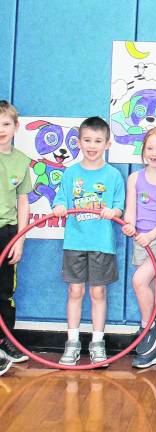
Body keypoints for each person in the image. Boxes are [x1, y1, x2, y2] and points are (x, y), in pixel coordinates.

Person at [52, 117, 125, 366]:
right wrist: (60, 206)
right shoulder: (71, 173)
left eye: (97, 140)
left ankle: (97, 342)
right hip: (75, 242)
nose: (92, 145)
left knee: (98, 291)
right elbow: (60, 200)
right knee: (75, 290)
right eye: (87, 140)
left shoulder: (113, 175)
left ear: (107, 143)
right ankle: (72, 342)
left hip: (102, 244)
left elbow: (119, 207)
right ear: (79, 142)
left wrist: (112, 212)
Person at [121, 128, 156, 368]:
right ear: (143, 152)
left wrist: (151, 235)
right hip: (140, 240)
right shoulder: (135, 178)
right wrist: (129, 226)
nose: (155, 153)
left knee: (139, 281)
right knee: (151, 288)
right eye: (150, 148)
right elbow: (130, 210)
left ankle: (149, 325)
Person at [0, 101, 33, 375]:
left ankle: (6, 341)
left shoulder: (22, 161)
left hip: (7, 233)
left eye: (6, 124)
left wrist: (19, 239)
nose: (1, 130)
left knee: (5, 292)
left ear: (15, 127)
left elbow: (24, 202)